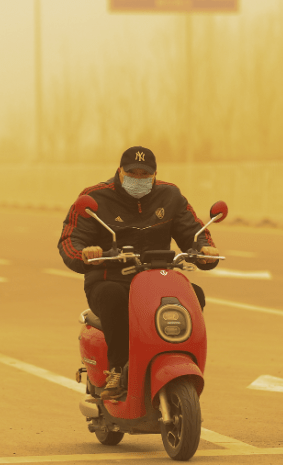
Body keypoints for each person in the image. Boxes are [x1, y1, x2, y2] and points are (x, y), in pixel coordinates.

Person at [57, 146, 219, 400]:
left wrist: (204, 249)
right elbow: (70, 241)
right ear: (120, 171)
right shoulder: (94, 198)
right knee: (112, 298)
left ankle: (176, 359)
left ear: (155, 175)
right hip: (111, 279)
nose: (139, 179)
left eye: (146, 174)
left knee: (194, 296)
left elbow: (194, 233)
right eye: (133, 173)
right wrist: (84, 254)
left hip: (158, 281)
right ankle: (118, 370)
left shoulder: (171, 196)